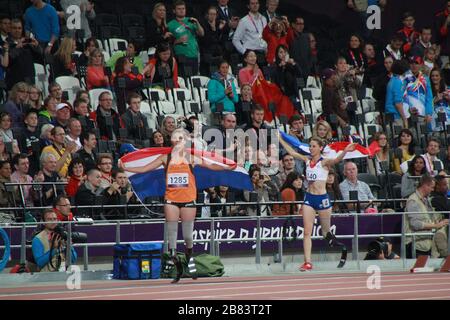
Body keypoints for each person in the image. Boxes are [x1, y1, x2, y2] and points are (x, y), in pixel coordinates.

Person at [120, 128, 233, 283]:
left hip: (188, 200)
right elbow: (144, 169)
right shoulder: (165, 158)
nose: (177, 140)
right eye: (174, 137)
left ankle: (189, 257)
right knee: (171, 235)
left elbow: (211, 166)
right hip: (171, 200)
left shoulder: (191, 157)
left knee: (187, 236)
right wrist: (126, 168)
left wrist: (227, 167)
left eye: (180, 138)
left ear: (185, 140)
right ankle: (175, 261)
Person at [279, 134, 356, 271]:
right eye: (310, 146)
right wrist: (279, 139)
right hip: (309, 198)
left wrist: (346, 151)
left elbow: (337, 159)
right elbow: (292, 152)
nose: (311, 148)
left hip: (322, 200)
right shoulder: (307, 160)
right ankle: (307, 262)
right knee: (307, 232)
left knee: (326, 233)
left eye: (314, 146)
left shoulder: (324, 162)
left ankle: (341, 247)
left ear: (320, 148)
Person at [405, 175, 449, 258]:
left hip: (426, 243)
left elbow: (429, 218)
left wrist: (440, 222)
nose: (433, 190)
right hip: (416, 245)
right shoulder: (413, 200)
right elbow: (415, 224)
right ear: (425, 185)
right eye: (432, 187)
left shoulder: (426, 200)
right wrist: (436, 226)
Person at [167, 0, 205, 77]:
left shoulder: (191, 21)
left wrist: (197, 22)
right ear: (174, 11)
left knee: (193, 78)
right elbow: (168, 43)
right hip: (181, 55)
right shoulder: (170, 25)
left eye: (183, 8)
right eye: (179, 9)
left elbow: (202, 34)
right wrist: (177, 41)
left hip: (193, 53)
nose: (181, 10)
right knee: (183, 78)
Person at [5, 19, 41, 90]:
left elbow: (40, 58)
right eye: (14, 28)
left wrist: (37, 46)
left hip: (29, 79)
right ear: (10, 29)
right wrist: (17, 48)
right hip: (15, 81)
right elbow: (7, 62)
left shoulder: (27, 43)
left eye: (19, 28)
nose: (17, 30)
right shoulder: (6, 44)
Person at [199, 6, 227, 75]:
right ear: (207, 15)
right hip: (207, 56)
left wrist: (219, 29)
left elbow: (220, 40)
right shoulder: (203, 24)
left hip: (217, 55)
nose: (212, 16)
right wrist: (214, 29)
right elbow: (207, 40)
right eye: (211, 14)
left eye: (214, 14)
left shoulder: (218, 25)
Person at [385, 60, 409, 128]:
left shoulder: (393, 80)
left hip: (391, 115)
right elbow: (398, 103)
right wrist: (404, 119)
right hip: (395, 116)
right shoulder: (397, 82)